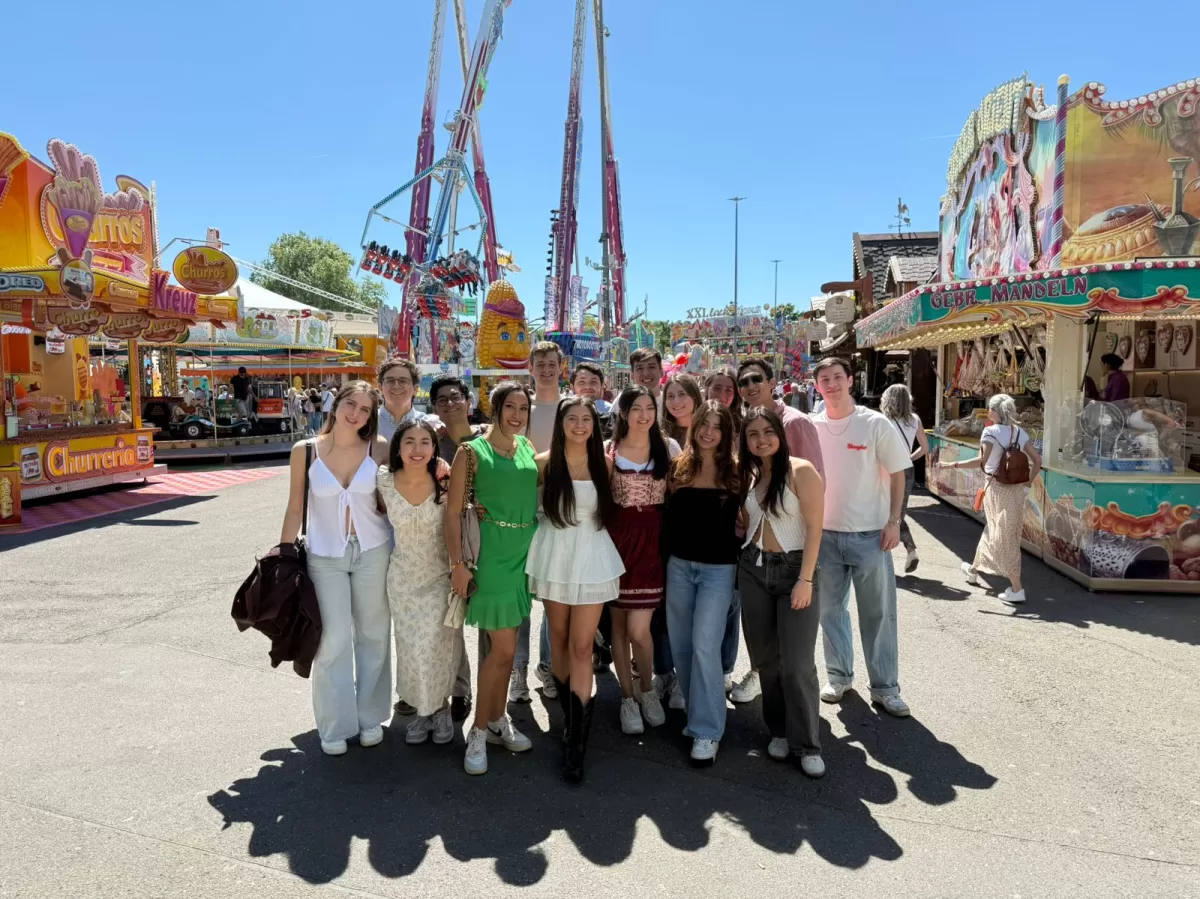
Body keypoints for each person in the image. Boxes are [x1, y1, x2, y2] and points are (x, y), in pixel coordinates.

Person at [278, 381, 392, 756]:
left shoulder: (379, 448)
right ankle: (335, 724)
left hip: (373, 550)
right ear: (335, 403)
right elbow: (296, 507)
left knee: (374, 633)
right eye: (351, 403)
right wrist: (282, 553)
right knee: (334, 638)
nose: (356, 413)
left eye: (365, 408)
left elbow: (392, 500)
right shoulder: (305, 452)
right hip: (324, 555)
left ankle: (370, 716)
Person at [526, 397, 624, 782]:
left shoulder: (607, 463)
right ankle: (571, 717)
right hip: (554, 554)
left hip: (594, 558)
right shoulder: (543, 463)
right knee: (561, 638)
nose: (580, 425)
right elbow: (523, 507)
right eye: (573, 419)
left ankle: (578, 742)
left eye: (587, 419)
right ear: (561, 422)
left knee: (583, 646)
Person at [445, 381, 539, 776]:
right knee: (500, 651)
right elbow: (452, 513)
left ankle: (498, 719)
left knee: (507, 648)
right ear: (496, 408)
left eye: (524, 408)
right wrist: (457, 565)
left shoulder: (527, 448)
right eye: (510, 407)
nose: (517, 415)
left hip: (524, 555)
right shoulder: (472, 451)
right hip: (492, 557)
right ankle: (479, 730)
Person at [811, 357, 913, 718]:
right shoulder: (813, 425)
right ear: (817, 385)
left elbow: (900, 472)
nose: (832, 384)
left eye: (837, 377)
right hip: (823, 536)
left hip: (870, 535)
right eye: (825, 379)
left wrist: (894, 521)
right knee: (829, 611)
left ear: (850, 380)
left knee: (878, 614)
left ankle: (886, 687)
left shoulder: (874, 423)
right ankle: (839, 677)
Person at [738, 406, 826, 778]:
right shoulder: (751, 474)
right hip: (753, 569)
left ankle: (807, 742)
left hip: (794, 572)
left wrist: (806, 579)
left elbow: (815, 528)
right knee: (766, 661)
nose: (761, 440)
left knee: (797, 664)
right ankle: (777, 730)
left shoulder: (801, 471)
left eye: (767, 432)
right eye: (753, 434)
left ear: (780, 433)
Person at [665, 401, 742, 766]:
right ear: (694, 428)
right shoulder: (679, 467)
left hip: (718, 570)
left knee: (704, 646)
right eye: (703, 425)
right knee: (682, 646)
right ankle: (698, 715)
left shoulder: (738, 472)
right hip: (679, 566)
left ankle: (708, 729)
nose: (709, 432)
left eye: (717, 426)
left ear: (726, 433)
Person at [377, 419, 460, 746]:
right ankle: (423, 712)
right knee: (410, 649)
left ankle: (440, 709)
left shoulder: (444, 478)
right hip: (402, 580)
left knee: (436, 646)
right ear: (398, 446)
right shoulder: (383, 480)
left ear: (434, 447)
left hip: (440, 575)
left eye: (425, 442)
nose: (417, 449)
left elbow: (463, 516)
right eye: (409, 441)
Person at [605, 386, 679, 736]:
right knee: (619, 628)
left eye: (650, 407)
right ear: (623, 412)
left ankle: (647, 689)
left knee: (640, 628)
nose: (644, 414)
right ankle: (627, 697)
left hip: (652, 544)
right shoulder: (608, 451)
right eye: (636, 408)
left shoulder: (668, 448)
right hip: (616, 543)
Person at [943, 393, 1041, 605]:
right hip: (1015, 490)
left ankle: (1017, 588)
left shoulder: (990, 432)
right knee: (999, 529)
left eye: (989, 408)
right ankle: (973, 569)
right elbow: (1037, 460)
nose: (988, 412)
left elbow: (981, 461)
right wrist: (1028, 482)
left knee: (1002, 535)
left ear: (996, 412)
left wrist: (953, 465)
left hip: (995, 487)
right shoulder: (1019, 432)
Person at [509, 340, 564, 704]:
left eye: (551, 363)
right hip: (521, 512)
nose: (545, 369)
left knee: (553, 595)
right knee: (519, 595)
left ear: (562, 367)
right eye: (539, 363)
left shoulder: (572, 407)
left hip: (562, 512)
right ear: (530, 368)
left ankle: (547, 666)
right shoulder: (519, 408)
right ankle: (518, 670)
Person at [880, 383, 931, 574]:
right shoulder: (914, 419)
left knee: (886, 512)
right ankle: (910, 551)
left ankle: (895, 555)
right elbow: (925, 448)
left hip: (885, 468)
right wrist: (909, 458)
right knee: (898, 511)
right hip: (906, 468)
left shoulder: (883, 419)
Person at [377, 358, 433, 443]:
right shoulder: (367, 422)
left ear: (415, 389)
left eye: (403, 381)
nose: (396, 386)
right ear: (380, 387)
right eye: (390, 381)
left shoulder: (428, 424)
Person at [662, 373, 703, 446]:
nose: (676, 401)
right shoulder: (660, 435)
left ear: (695, 397)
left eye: (682, 394)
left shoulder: (707, 432)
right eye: (670, 396)